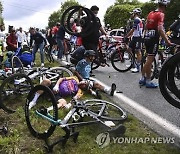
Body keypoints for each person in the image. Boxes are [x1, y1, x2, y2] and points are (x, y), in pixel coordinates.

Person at [139, 0, 173, 88]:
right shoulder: (160, 14)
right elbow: (160, 29)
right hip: (153, 39)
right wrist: (167, 40)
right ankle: (148, 81)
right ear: (164, 6)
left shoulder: (151, 13)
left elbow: (146, 26)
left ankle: (143, 78)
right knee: (149, 60)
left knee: (148, 59)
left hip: (147, 37)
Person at [125, 8, 143, 73]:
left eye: (133, 13)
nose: (131, 14)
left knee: (138, 51)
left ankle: (138, 67)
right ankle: (133, 64)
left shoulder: (137, 20)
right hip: (135, 37)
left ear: (135, 13)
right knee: (129, 49)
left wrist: (127, 36)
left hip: (138, 37)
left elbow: (133, 29)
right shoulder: (136, 20)